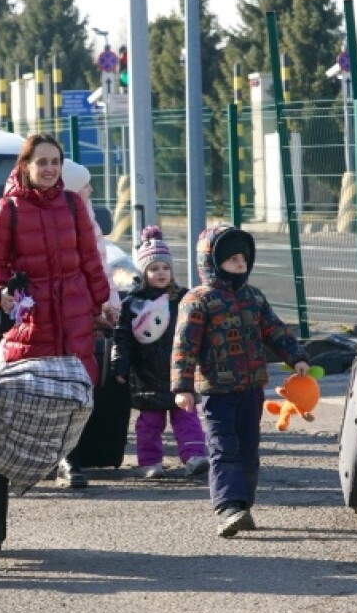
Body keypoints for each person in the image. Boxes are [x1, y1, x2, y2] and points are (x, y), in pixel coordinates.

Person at [0, 134, 112, 489]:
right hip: (32, 311)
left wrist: (101, 301)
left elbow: (90, 258)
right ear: (25, 166)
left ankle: (71, 460)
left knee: (75, 387)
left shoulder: (72, 205)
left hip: (72, 307)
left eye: (55, 162)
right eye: (42, 162)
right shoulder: (7, 209)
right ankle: (22, 461)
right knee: (30, 390)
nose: (49, 169)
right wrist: (4, 289)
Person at [171, 225, 309, 538]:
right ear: (213, 262)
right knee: (223, 447)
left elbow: (274, 330)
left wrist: (296, 356)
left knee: (248, 448)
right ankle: (228, 507)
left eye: (243, 259)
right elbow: (184, 346)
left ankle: (243, 503)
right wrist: (183, 386)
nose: (240, 264)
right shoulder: (198, 301)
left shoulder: (253, 297)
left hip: (251, 388)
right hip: (217, 391)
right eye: (232, 259)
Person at [112, 226, 207, 479]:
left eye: (165, 267)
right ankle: (150, 462)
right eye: (154, 268)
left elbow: (197, 330)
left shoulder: (184, 299)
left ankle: (195, 456)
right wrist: (120, 364)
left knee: (187, 416)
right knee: (149, 423)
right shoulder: (133, 303)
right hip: (146, 372)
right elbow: (122, 337)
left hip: (179, 371)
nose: (161, 272)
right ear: (143, 272)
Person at [62, 159, 121, 320]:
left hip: (94, 307)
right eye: (85, 185)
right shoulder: (64, 225)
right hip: (80, 308)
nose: (91, 189)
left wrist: (111, 304)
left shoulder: (89, 218)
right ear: (72, 190)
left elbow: (102, 267)